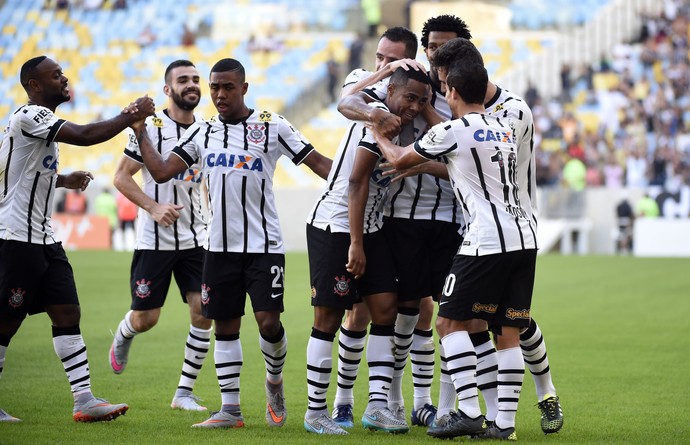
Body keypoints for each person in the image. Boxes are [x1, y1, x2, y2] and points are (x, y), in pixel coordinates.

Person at [132, 58, 332, 429]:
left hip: (264, 245)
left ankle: (274, 380)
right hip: (218, 247)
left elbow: (319, 163)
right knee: (224, 325)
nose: (219, 95)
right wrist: (139, 129)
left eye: (227, 87)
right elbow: (160, 171)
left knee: (268, 322)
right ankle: (230, 410)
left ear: (244, 88)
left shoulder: (272, 126)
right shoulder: (202, 133)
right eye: (214, 88)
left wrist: (360, 178)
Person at [372, 59, 537, 441]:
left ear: (453, 93)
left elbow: (398, 158)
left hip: (484, 240)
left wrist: (378, 133)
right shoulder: (504, 130)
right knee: (508, 329)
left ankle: (467, 411)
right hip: (524, 236)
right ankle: (503, 425)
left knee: (447, 323)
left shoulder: (451, 131)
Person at [420, 36, 564, 438]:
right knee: (494, 326)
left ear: (461, 79)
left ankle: (542, 393)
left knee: (488, 324)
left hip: (499, 230)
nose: (441, 88)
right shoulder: (479, 120)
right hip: (496, 232)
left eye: (443, 80)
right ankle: (499, 422)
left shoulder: (514, 112)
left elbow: (469, 154)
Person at [335, 16, 472, 429]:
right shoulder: (386, 80)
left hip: (451, 218)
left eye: (446, 45)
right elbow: (345, 103)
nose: (438, 52)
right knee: (398, 313)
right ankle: (391, 400)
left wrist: (424, 147)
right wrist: (379, 116)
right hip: (398, 218)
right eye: (432, 45)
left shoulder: (465, 93)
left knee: (449, 315)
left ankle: (442, 406)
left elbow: (464, 156)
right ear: (422, 50)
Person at [0, 55, 154, 423]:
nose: (64, 78)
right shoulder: (29, 115)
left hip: (44, 238)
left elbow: (20, 174)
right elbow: (85, 136)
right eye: (55, 75)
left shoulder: (39, 127)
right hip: (15, 238)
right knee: (4, 322)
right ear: (34, 86)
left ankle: (83, 400)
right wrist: (129, 115)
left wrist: (62, 179)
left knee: (68, 312)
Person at [303, 67, 430, 435]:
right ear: (391, 91)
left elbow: (348, 100)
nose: (415, 106)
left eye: (422, 100)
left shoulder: (389, 118)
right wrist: (356, 244)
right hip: (338, 226)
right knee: (327, 318)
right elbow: (357, 182)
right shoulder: (375, 120)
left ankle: (377, 406)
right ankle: (315, 411)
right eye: (410, 98)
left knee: (385, 307)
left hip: (371, 227)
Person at [108, 60, 212, 412]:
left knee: (203, 312)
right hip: (154, 240)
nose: (192, 85)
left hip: (196, 240)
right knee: (146, 319)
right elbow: (121, 177)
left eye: (196, 79)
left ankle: (183, 393)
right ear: (168, 89)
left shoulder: (209, 130)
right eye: (183, 80)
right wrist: (153, 207)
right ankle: (125, 333)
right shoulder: (149, 127)